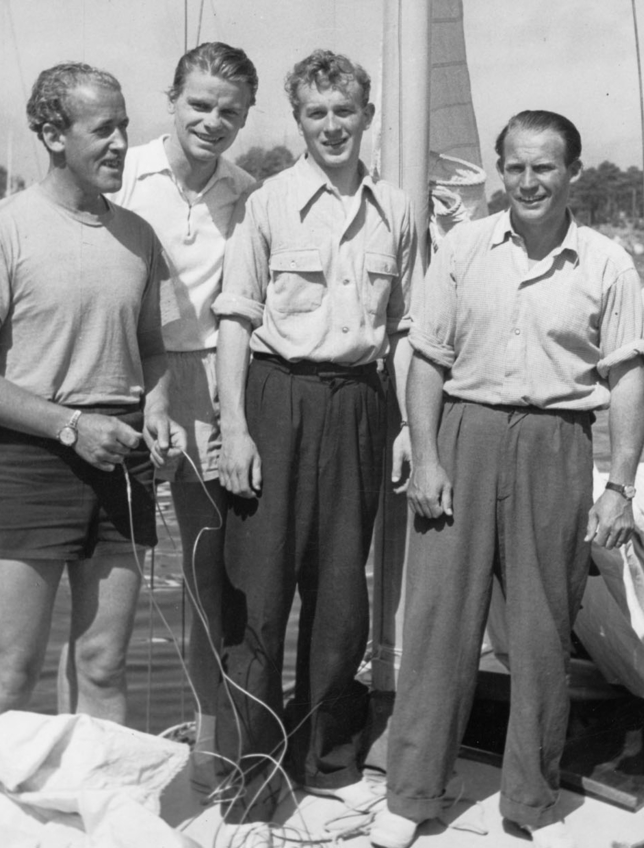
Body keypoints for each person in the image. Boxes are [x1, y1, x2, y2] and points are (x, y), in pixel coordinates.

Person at [371, 110, 644, 848]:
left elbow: (626, 378)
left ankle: (530, 801)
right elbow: (426, 357)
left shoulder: (607, 264)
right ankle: (412, 795)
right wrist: (426, 456)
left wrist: (618, 483)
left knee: (540, 633)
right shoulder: (462, 247)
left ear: (573, 174)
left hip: (557, 446)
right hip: (464, 434)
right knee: (438, 626)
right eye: (516, 166)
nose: (528, 181)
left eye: (545, 167)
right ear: (500, 170)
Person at [210, 49, 416, 842]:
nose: (332, 126)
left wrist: (403, 427)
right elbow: (235, 315)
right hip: (275, 398)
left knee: (340, 596)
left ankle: (328, 764)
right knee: (259, 594)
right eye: (316, 114)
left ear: (368, 116)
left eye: (345, 111)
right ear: (299, 121)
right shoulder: (266, 205)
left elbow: (402, 328)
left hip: (359, 405)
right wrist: (235, 426)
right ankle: (254, 776)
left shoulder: (397, 209)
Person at [0, 62, 179, 724]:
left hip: (123, 458)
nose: (123, 144)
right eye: (104, 129)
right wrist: (71, 426)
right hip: (33, 460)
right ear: (51, 134)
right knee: (12, 672)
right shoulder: (0, 229)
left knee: (104, 662)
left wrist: (157, 409)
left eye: (126, 126)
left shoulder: (138, 236)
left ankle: (94, 816)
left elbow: (152, 347)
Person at [111, 42, 258, 765]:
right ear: (172, 99)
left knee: (207, 573)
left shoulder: (245, 189)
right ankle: (98, 749)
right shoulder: (126, 174)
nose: (212, 120)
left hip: (209, 380)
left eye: (229, 111)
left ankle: (211, 734)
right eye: (199, 104)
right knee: (113, 568)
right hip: (126, 372)